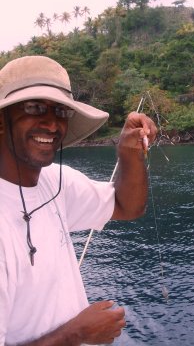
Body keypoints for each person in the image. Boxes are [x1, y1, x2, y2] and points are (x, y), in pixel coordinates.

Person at [0, 55, 157, 345]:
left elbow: (127, 206)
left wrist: (128, 151)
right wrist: (78, 333)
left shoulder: (57, 181)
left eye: (60, 111)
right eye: (34, 107)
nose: (52, 124)